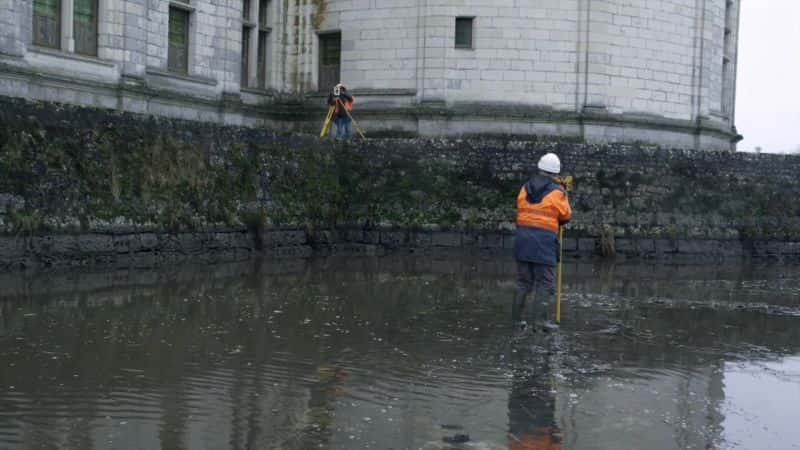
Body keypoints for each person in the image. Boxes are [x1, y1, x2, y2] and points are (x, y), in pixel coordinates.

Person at [512, 153, 572, 332]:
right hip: (544, 242)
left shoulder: (525, 188)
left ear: (540, 168)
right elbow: (566, 215)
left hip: (523, 239)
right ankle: (540, 323)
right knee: (545, 282)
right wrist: (565, 194)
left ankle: (517, 320)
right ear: (556, 172)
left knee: (523, 282)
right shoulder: (558, 192)